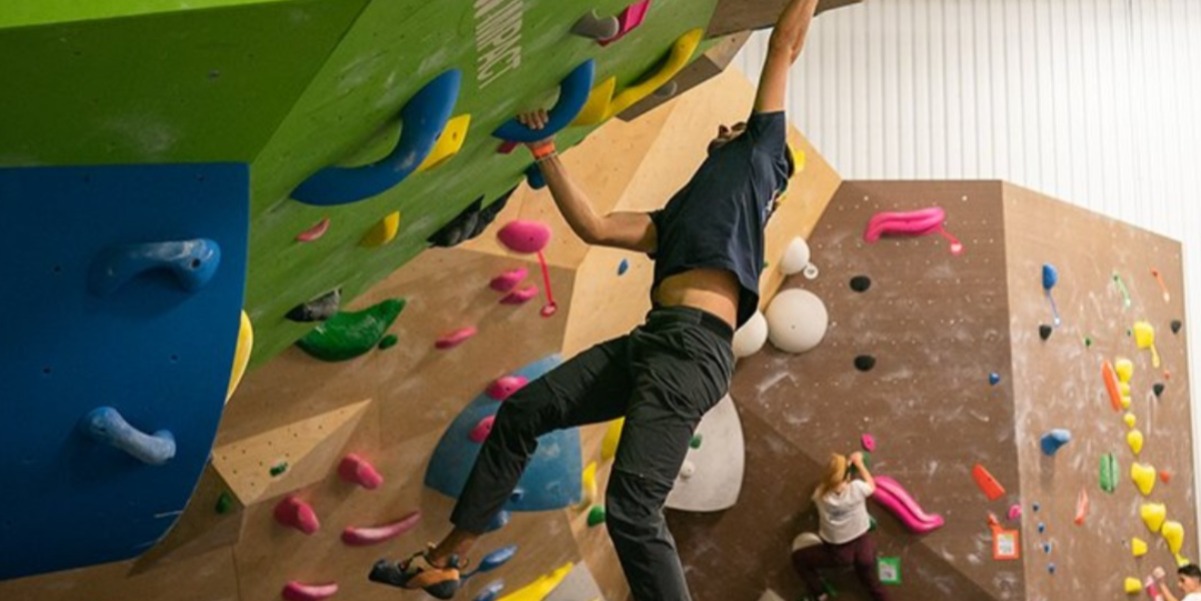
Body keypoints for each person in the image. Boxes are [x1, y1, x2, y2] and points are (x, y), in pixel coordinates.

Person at [368, 1, 818, 598]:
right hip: (654, 342)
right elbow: (598, 228)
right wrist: (546, 152)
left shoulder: (759, 159)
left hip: (690, 354)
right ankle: (450, 558)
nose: (722, 129)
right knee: (523, 414)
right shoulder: (680, 214)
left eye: (733, 129)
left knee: (631, 510)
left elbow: (784, 46)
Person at [791, 452, 892, 601]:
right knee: (873, 585)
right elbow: (871, 485)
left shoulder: (821, 496)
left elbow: (828, 483)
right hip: (864, 549)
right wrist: (859, 464)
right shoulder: (857, 488)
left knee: (798, 558)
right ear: (848, 477)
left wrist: (840, 469)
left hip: (840, 553)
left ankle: (820, 594)